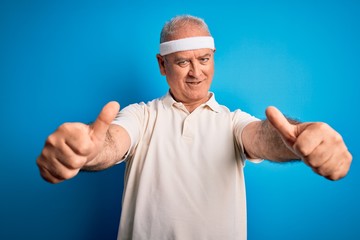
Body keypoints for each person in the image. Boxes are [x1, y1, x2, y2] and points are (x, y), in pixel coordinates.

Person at [37, 15, 352, 240]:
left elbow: (262, 137)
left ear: (213, 57)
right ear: (162, 65)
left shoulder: (232, 121)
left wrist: (297, 139)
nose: (196, 73)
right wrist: (86, 152)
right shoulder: (141, 116)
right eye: (182, 62)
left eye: (203, 59)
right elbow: (112, 142)